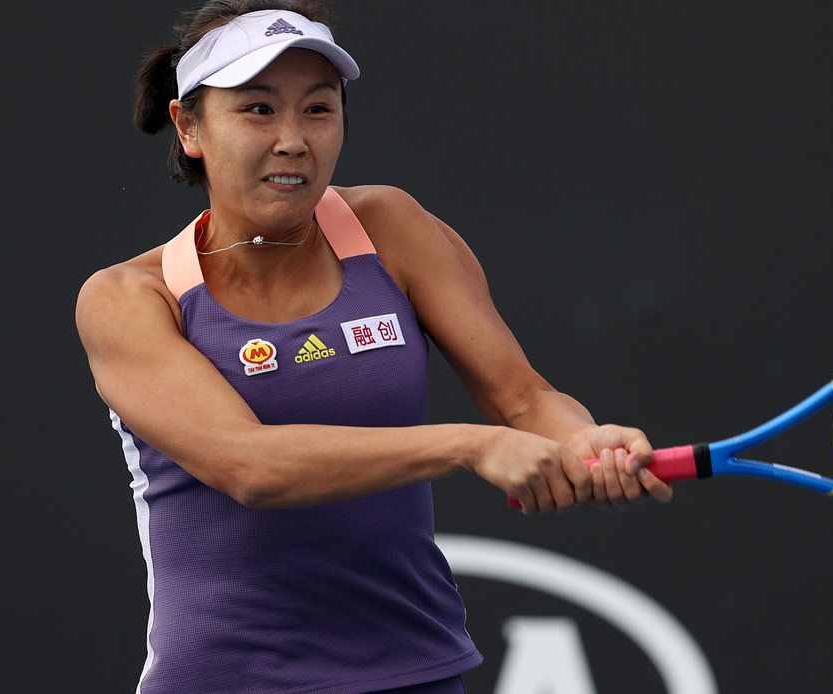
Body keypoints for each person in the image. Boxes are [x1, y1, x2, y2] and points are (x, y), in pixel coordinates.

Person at [74, 1, 672, 692]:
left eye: (318, 109)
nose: (293, 140)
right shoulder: (128, 299)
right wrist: (469, 446)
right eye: (258, 110)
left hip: (418, 669)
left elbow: (523, 397)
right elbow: (251, 466)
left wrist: (585, 441)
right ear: (189, 127)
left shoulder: (389, 226)